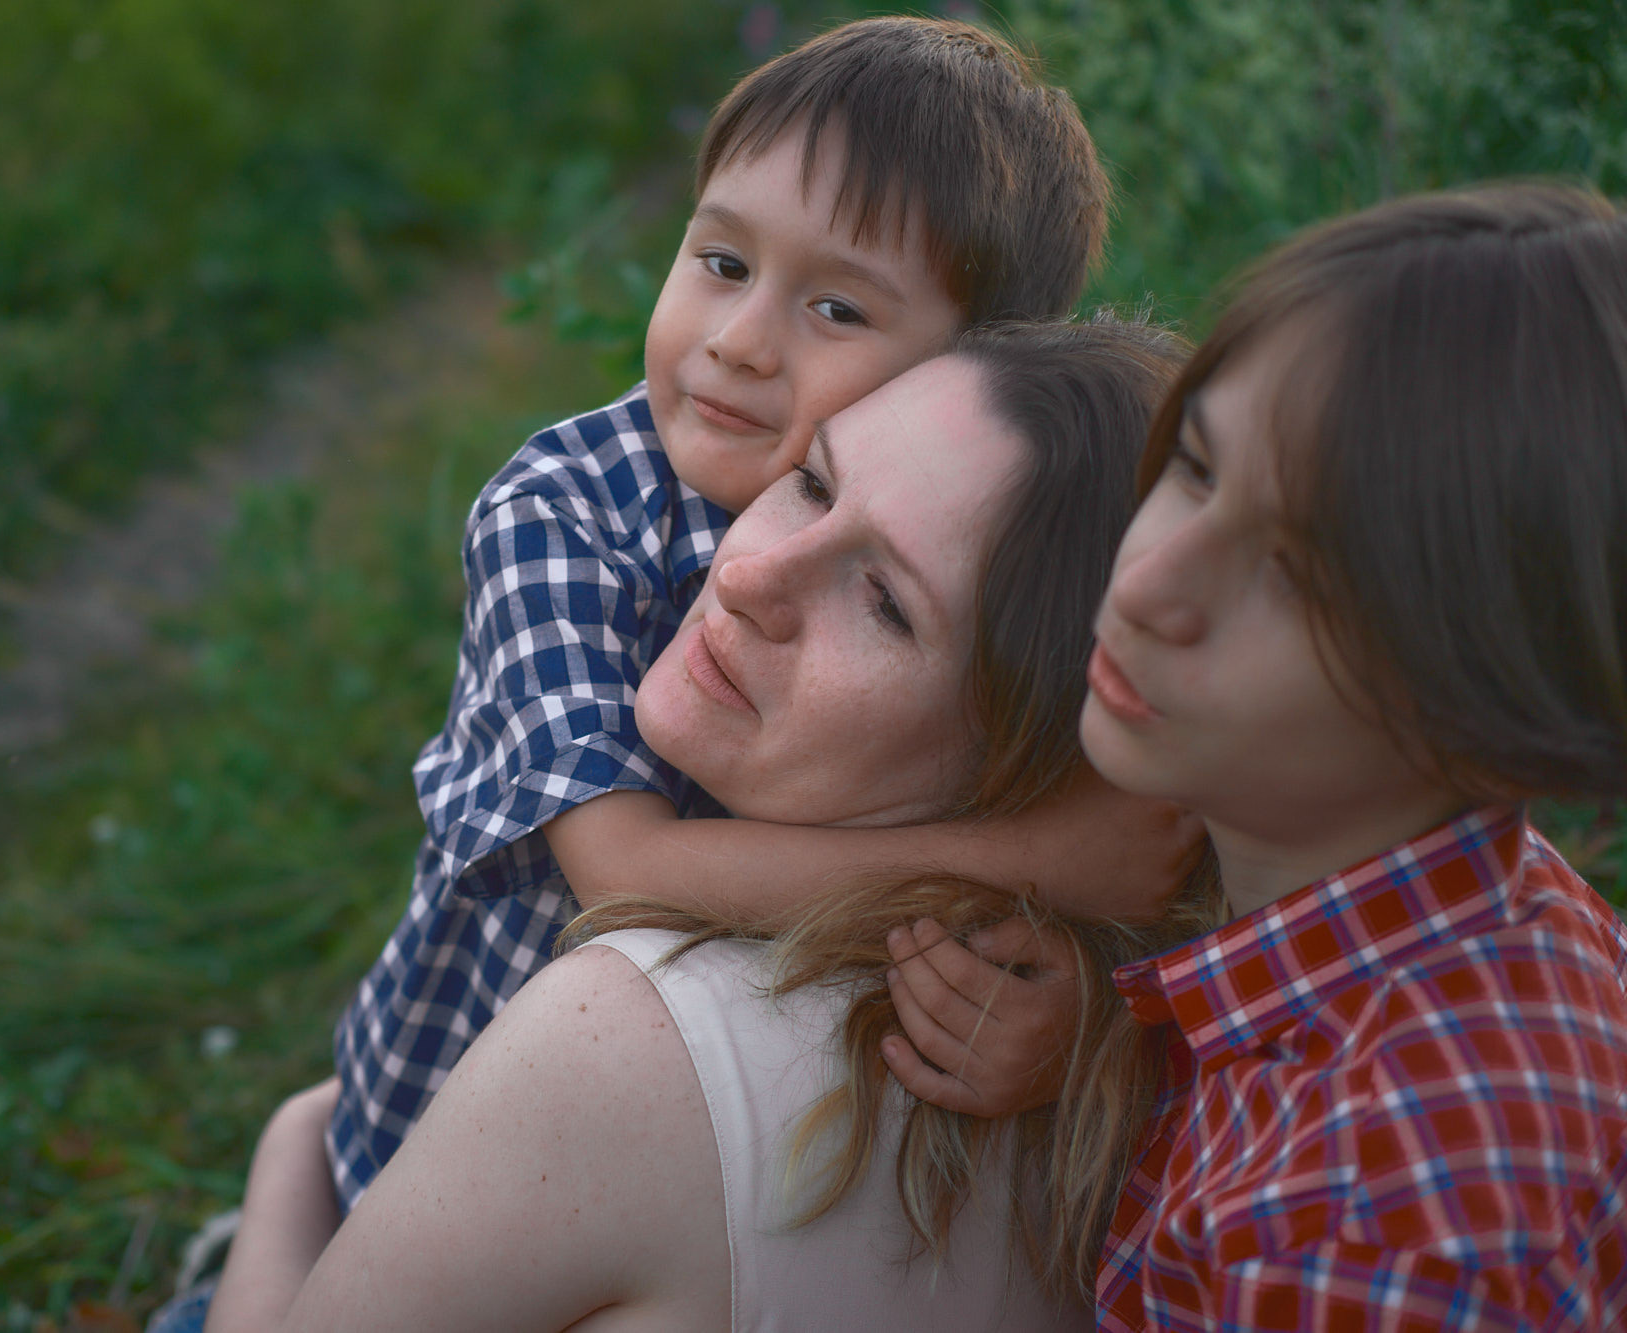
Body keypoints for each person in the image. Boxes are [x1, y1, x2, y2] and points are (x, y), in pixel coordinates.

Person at [322, 12, 1190, 1230]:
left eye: (835, 310)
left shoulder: (980, 583)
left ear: (970, 367)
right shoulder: (561, 511)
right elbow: (621, 876)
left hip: (687, 1173)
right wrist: (1040, 860)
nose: (735, 345)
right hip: (423, 1136)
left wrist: (1056, 1017)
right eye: (721, 264)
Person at [215, 316, 1213, 1330]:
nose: (743, 578)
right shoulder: (1123, 1066)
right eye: (813, 484)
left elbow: (624, 874)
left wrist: (288, 1155)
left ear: (1032, 766)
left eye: (883, 603)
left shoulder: (632, 1043)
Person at [890, 183, 1627, 1327]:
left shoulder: (1381, 1220)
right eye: (1191, 464)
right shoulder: (1476, 910)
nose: (1143, 584)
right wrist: (1102, 1064)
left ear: (1499, 689)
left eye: (1292, 575)